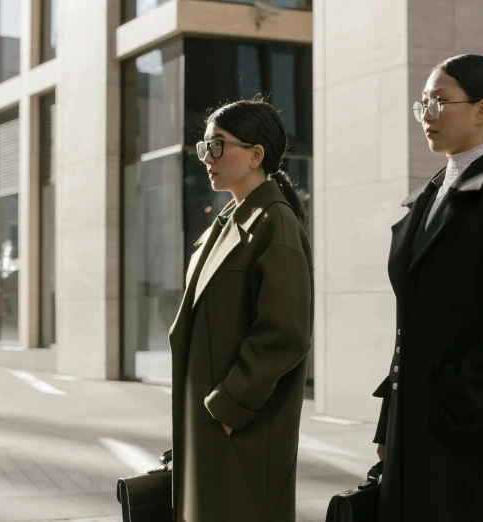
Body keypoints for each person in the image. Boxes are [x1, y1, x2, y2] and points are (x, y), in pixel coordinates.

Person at [372, 54, 483, 521]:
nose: (427, 116)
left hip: (469, 419)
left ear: (482, 109)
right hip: (412, 418)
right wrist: (388, 419)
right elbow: (411, 325)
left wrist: (460, 384)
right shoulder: (427, 196)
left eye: (440, 101)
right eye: (423, 104)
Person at [168, 99, 314, 522]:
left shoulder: (275, 224)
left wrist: (228, 410)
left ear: (255, 155)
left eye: (217, 146)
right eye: (204, 148)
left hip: (241, 429)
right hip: (213, 426)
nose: (207, 158)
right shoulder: (230, 221)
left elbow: (285, 333)